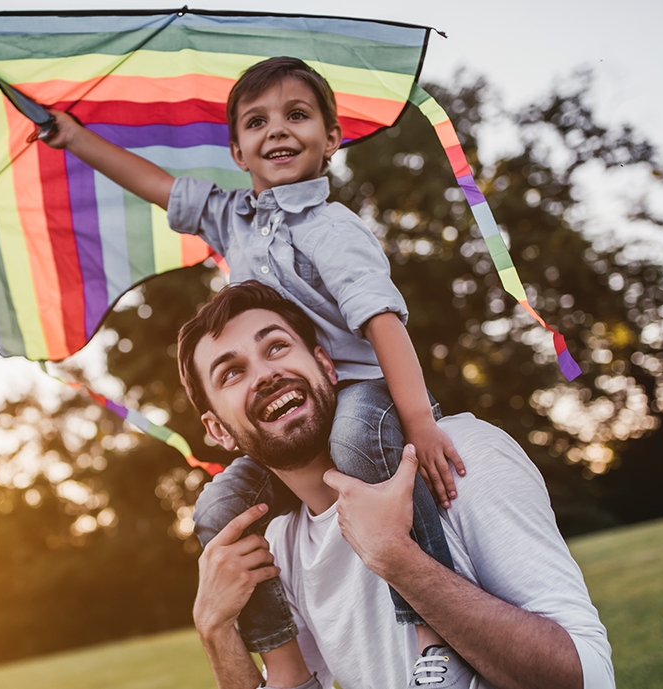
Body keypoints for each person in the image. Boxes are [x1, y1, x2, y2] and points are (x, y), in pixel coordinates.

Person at [41, 56, 463, 684]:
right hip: (289, 409)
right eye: (257, 122)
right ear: (237, 149)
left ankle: (434, 639)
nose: (278, 131)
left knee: (353, 438)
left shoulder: (332, 229)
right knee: (216, 507)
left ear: (331, 138)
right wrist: (74, 138)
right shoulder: (230, 219)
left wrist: (418, 422)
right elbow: (156, 185)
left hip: (358, 391)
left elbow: (383, 324)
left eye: (298, 115)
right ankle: (287, 667)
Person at [178, 282, 614, 689]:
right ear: (219, 431)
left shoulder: (458, 456)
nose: (265, 374)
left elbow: (588, 677)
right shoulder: (278, 550)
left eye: (276, 346)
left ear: (326, 366)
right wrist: (215, 633)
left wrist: (397, 559)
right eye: (231, 373)